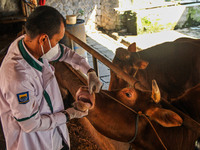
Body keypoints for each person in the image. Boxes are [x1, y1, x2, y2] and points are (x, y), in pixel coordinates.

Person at [0, 6, 102, 150]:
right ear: (43, 39)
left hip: (55, 135)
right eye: (57, 40)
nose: (57, 45)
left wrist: (89, 71)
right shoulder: (18, 77)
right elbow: (30, 124)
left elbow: (65, 53)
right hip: (35, 143)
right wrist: (69, 115)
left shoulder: (28, 43)